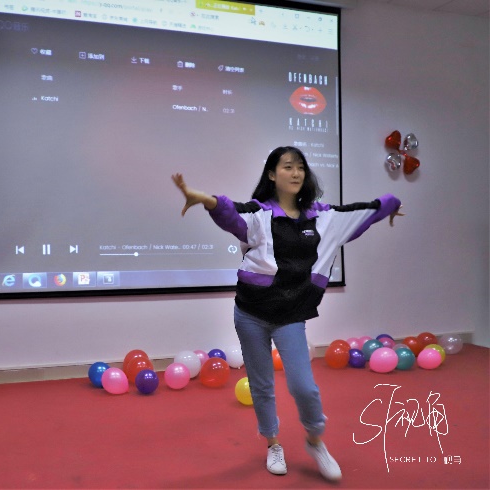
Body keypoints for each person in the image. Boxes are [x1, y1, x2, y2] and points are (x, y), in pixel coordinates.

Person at [171, 146, 403, 482]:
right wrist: (206, 200)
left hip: (291, 316)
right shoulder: (259, 215)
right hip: (250, 313)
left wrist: (392, 203)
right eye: (287, 167)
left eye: (300, 168)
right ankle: (273, 444)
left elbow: (365, 210)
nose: (296, 173)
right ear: (272, 174)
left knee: (304, 387)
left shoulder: (324, 218)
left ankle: (315, 441)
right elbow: (231, 214)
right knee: (262, 385)